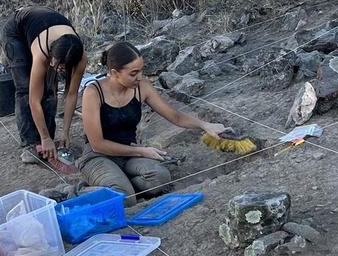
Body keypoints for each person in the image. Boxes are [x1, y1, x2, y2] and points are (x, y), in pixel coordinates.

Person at [78, 41, 229, 207]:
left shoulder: (142, 87)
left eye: (141, 70)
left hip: (129, 154)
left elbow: (175, 116)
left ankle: (118, 183)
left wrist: (205, 125)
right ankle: (76, 192)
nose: (140, 77)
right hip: (98, 156)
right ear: (114, 73)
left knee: (160, 178)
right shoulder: (93, 92)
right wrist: (142, 151)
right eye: (133, 73)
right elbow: (98, 144)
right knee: (123, 198)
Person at [0, 6, 86, 162]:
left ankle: (49, 141)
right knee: (26, 89)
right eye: (58, 65)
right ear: (52, 54)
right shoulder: (42, 52)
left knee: (50, 89)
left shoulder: (79, 58)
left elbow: (71, 95)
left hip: (44, 26)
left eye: (64, 67)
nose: (59, 69)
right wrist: (44, 138)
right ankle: (31, 144)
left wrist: (65, 133)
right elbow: (34, 100)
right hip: (16, 32)